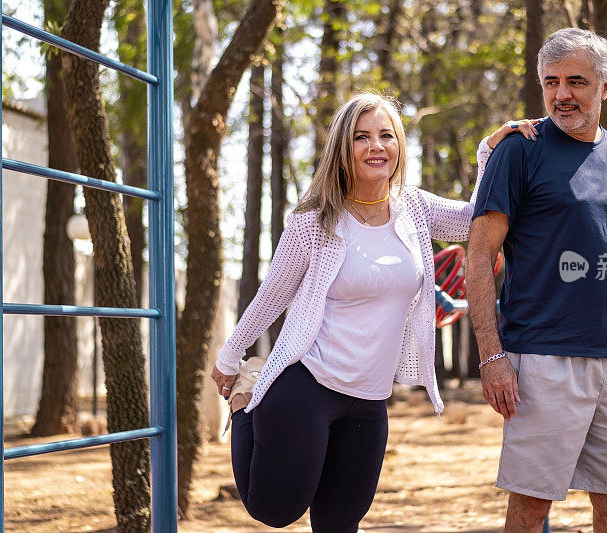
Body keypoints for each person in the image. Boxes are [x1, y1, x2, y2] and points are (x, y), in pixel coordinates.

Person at [210, 92, 536, 532]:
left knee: (341, 523)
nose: (375, 146)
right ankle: (246, 402)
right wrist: (230, 358)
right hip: (308, 384)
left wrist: (488, 154)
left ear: (399, 146)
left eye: (386, 136)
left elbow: (475, 220)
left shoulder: (415, 208)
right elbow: (272, 295)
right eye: (362, 137)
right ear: (343, 151)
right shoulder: (314, 221)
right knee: (275, 511)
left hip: (369, 400)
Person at [466, 28, 607, 533]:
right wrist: (493, 356)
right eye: (551, 82)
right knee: (533, 507)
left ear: (605, 87)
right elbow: (478, 255)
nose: (562, 94)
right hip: (541, 359)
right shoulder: (519, 150)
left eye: (576, 82)